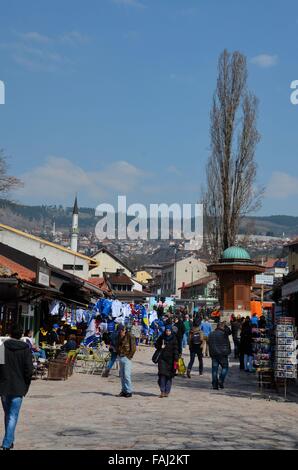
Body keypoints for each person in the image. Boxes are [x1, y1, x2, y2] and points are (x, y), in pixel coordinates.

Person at [0, 325, 33, 450]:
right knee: (12, 416)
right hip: (18, 387)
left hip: (4, 386)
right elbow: (29, 370)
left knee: (8, 414)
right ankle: (7, 443)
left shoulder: (3, 347)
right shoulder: (25, 349)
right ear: (21, 335)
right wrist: (25, 385)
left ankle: (9, 440)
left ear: (9, 334)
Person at [155, 325, 179, 398]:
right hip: (162, 359)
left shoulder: (174, 339)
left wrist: (176, 360)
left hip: (170, 360)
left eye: (169, 331)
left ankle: (167, 391)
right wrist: (160, 346)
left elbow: (176, 350)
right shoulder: (162, 337)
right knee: (162, 375)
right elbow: (156, 344)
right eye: (166, 331)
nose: (167, 332)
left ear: (171, 331)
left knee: (169, 376)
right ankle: (162, 391)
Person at [208, 321, 232, 390]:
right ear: (222, 327)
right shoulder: (224, 334)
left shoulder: (211, 334)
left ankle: (215, 384)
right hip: (223, 354)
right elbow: (230, 332)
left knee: (214, 370)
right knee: (225, 367)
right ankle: (221, 380)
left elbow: (209, 343)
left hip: (214, 354)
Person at [116, 325, 136, 397]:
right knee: (122, 375)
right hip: (120, 356)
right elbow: (117, 345)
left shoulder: (130, 336)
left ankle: (129, 391)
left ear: (124, 330)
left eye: (121, 331)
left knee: (127, 375)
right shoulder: (119, 336)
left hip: (127, 357)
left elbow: (133, 348)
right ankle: (123, 390)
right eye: (119, 331)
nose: (120, 332)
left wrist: (129, 356)